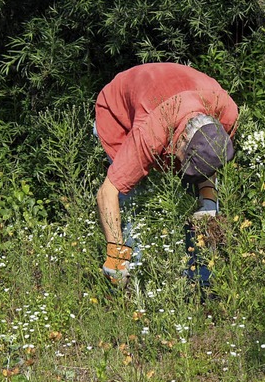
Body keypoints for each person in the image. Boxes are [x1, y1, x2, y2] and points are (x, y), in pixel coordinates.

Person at [94, 62, 238, 285]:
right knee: (132, 203)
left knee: (205, 211)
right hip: (120, 115)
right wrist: (115, 256)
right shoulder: (150, 133)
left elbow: (210, 158)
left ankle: (200, 282)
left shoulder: (226, 111)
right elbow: (108, 192)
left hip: (177, 97)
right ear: (179, 141)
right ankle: (134, 284)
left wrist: (208, 205)